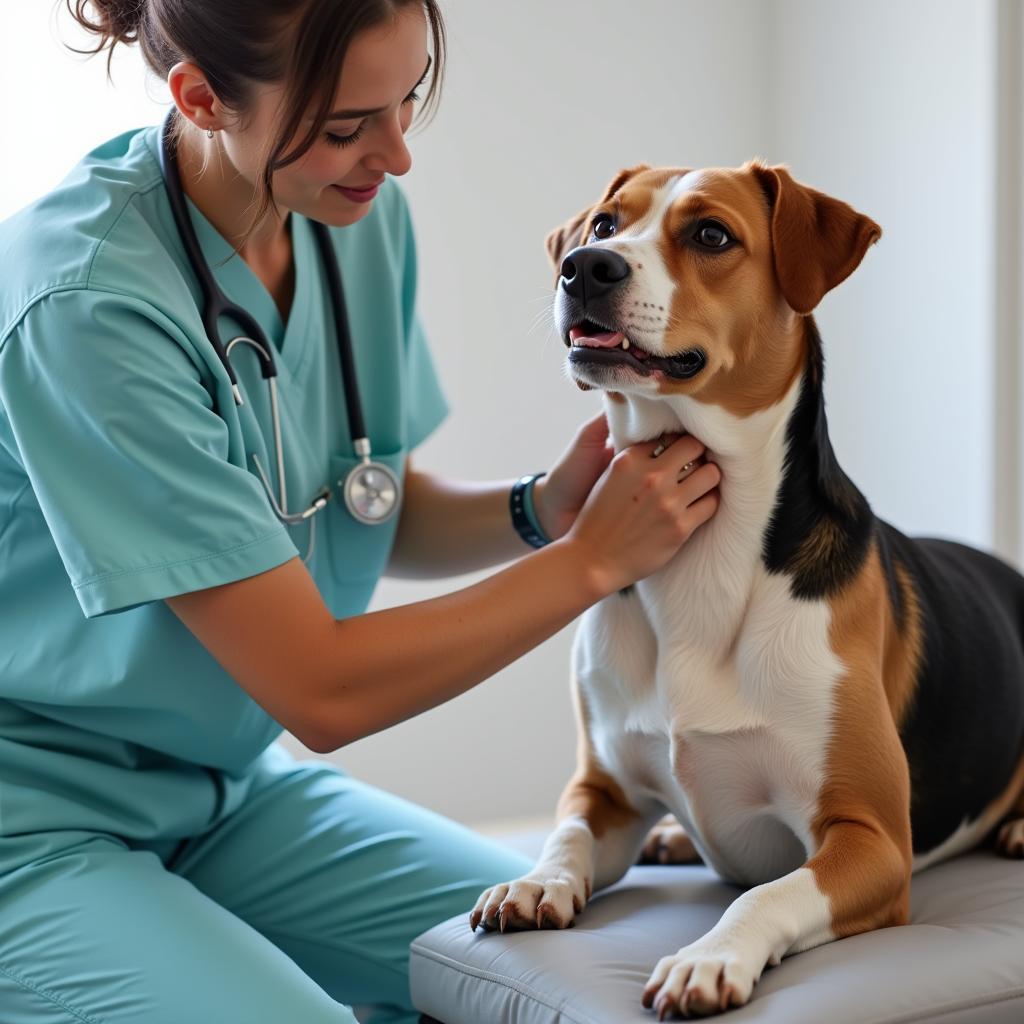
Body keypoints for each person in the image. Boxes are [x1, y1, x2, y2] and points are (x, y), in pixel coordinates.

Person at [0, 1, 722, 1021]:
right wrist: (589, 565)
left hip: (227, 788)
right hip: (29, 821)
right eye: (348, 125)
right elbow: (321, 689)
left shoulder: (349, 212)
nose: (394, 155)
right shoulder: (87, 304)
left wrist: (546, 509)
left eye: (408, 100)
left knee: (579, 987)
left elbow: (362, 504)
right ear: (201, 96)